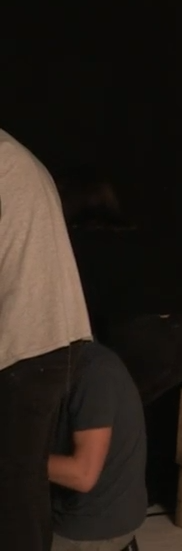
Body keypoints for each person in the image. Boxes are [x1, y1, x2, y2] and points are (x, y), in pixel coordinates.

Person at [0, 129, 97, 551]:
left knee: (12, 489)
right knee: (23, 483)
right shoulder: (13, 154)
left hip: (23, 342)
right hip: (47, 341)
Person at [48, 341, 148, 551]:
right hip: (66, 510)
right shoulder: (55, 364)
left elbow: (82, 475)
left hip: (88, 527)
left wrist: (13, 458)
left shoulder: (94, 373)